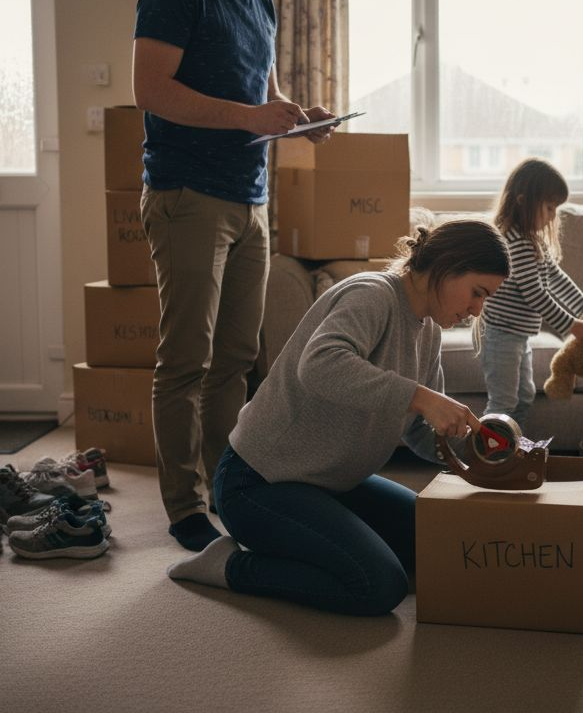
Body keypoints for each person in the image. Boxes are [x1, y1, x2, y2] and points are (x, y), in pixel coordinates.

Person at [166, 220, 511, 616]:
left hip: (332, 482)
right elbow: (319, 364)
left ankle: (323, 540)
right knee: (379, 585)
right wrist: (419, 397)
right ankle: (229, 565)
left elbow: (419, 432)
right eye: (477, 293)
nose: (476, 310)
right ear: (448, 265)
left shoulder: (428, 331)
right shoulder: (372, 295)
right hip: (259, 483)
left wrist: (479, 449)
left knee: (440, 540)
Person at [132, 0, 333, 551]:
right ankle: (183, 504)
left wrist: (297, 119)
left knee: (238, 357)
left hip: (252, 200)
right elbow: (151, 90)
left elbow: (263, 97)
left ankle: (226, 487)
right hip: (188, 194)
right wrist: (251, 118)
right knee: (186, 356)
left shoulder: (261, 5)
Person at [477, 158, 583, 425]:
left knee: (525, 396)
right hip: (501, 335)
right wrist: (571, 325)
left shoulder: (532, 239)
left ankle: (510, 449)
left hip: (518, 335)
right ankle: (485, 453)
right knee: (503, 402)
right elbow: (536, 294)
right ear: (523, 200)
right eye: (549, 207)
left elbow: (557, 278)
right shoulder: (514, 241)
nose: (553, 215)